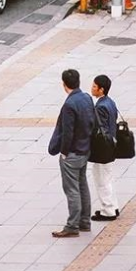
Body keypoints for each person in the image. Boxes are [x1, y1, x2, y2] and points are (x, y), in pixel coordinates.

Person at [48, 69, 95, 238]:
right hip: (85, 149)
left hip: (73, 152)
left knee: (72, 189)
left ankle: (72, 225)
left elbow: (67, 132)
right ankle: (85, 221)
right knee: (83, 185)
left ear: (64, 84)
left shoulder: (69, 105)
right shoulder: (86, 98)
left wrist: (64, 152)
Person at [90, 74, 119, 222]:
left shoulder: (100, 107)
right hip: (111, 144)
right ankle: (113, 206)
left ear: (101, 90)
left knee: (101, 179)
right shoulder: (110, 102)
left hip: (103, 146)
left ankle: (108, 210)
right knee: (107, 176)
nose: (92, 89)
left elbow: (98, 127)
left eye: (94, 86)